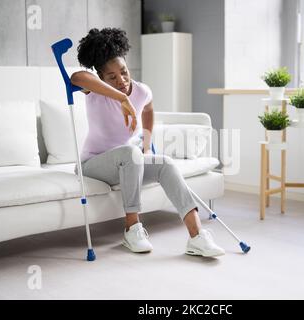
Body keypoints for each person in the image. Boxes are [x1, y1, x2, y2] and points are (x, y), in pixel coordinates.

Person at [71, 28, 224, 257]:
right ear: (101, 78)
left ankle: (197, 236)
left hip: (128, 162)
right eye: (111, 77)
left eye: (123, 72)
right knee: (129, 153)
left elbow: (149, 108)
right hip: (91, 166)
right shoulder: (94, 90)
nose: (121, 80)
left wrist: (147, 139)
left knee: (165, 163)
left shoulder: (142, 91)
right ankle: (132, 230)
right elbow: (76, 78)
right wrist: (122, 98)